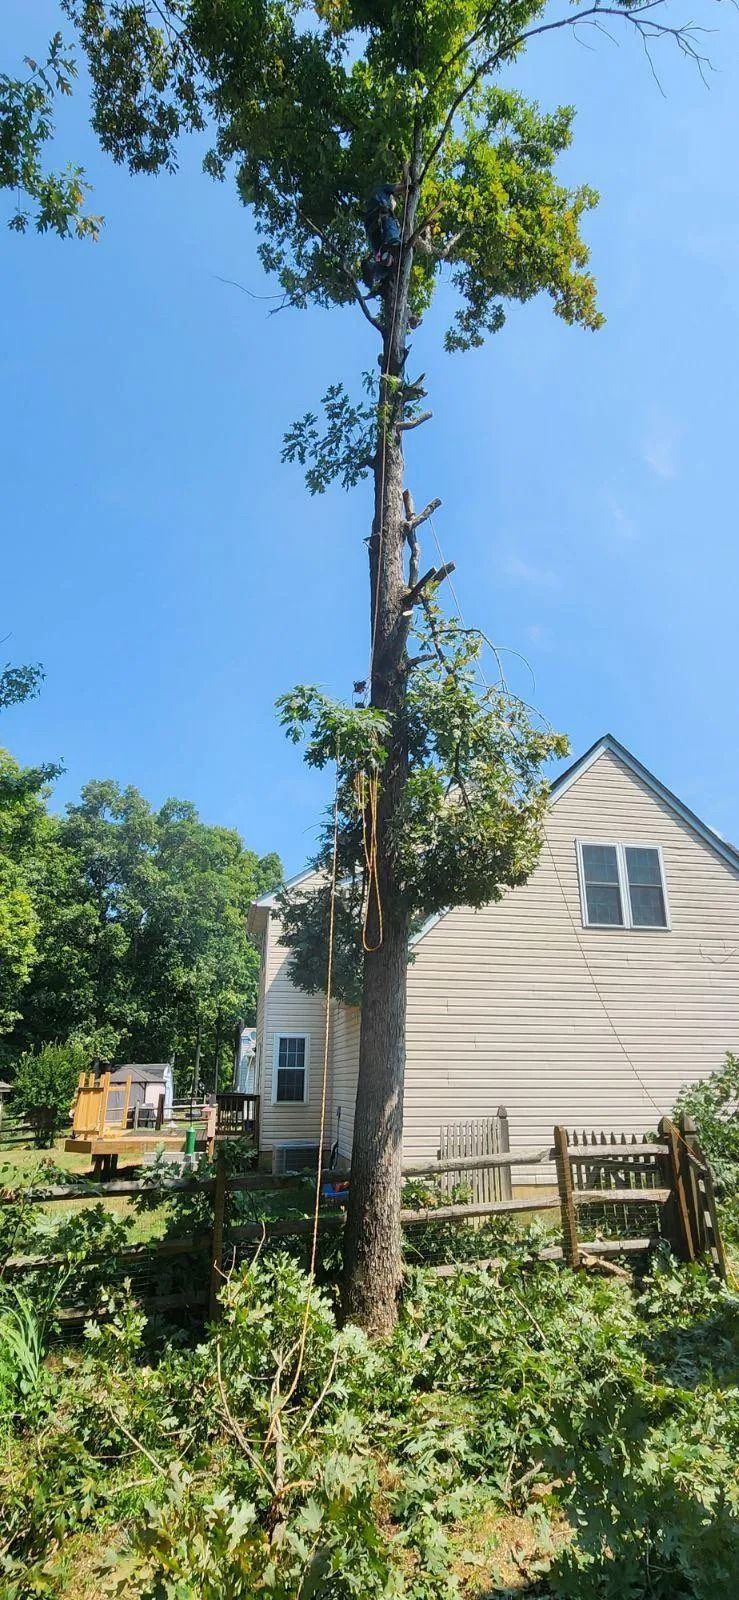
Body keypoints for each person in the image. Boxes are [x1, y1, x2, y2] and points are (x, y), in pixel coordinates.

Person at [361, 180, 403, 294]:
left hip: (372, 227)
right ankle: (391, 249)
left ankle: (373, 272)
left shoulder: (371, 201)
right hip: (382, 215)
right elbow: (400, 188)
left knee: (384, 265)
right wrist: (411, 186)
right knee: (394, 241)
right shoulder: (383, 189)